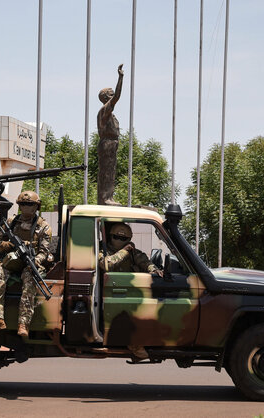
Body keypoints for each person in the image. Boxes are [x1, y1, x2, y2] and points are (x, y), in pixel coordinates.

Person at [0, 191, 52, 338]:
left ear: (37, 206)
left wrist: (36, 260)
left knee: (30, 280)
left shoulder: (43, 227)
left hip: (29, 263)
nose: (26, 207)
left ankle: (23, 323)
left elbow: (44, 251)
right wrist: (7, 245)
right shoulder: (11, 222)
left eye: (30, 204)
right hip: (12, 261)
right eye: (23, 204)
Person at [98, 222, 163, 360]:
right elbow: (106, 264)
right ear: (110, 237)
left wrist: (154, 270)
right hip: (108, 294)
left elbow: (144, 261)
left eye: (124, 239)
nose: (120, 241)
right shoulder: (102, 249)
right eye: (117, 237)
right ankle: (135, 346)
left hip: (127, 292)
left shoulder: (132, 252)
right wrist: (124, 251)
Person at [96, 64, 124, 206]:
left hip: (111, 144)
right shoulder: (104, 110)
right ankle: (105, 198)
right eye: (111, 94)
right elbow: (118, 97)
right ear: (105, 97)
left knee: (110, 172)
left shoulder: (108, 113)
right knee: (106, 172)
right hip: (107, 143)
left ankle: (108, 197)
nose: (114, 96)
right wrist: (120, 78)